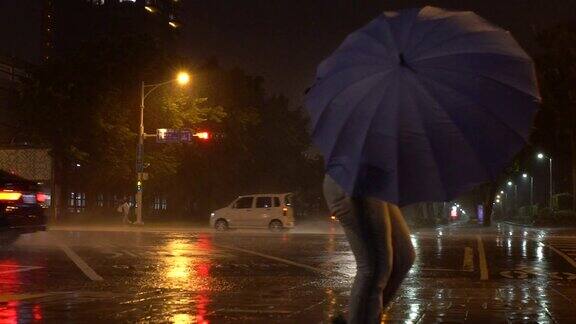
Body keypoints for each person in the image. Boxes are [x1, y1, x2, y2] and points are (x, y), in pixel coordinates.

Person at [323, 175, 416, 324]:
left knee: (403, 257)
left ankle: (361, 316)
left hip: (377, 185)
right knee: (375, 267)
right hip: (355, 181)